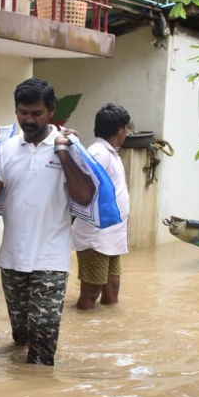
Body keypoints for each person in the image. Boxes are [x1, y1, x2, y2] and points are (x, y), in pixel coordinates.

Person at [0, 78, 96, 365]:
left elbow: (85, 196)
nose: (28, 120)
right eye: (22, 113)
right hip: (13, 258)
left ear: (50, 111)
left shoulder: (70, 145)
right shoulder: (6, 148)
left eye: (36, 113)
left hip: (51, 260)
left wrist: (62, 151)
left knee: (41, 351)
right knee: (21, 338)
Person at [72, 104, 132, 310]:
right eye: (126, 128)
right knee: (91, 292)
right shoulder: (99, 153)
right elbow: (85, 190)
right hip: (96, 236)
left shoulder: (111, 153)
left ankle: (109, 332)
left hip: (112, 234)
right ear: (120, 130)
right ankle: (82, 327)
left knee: (112, 289)